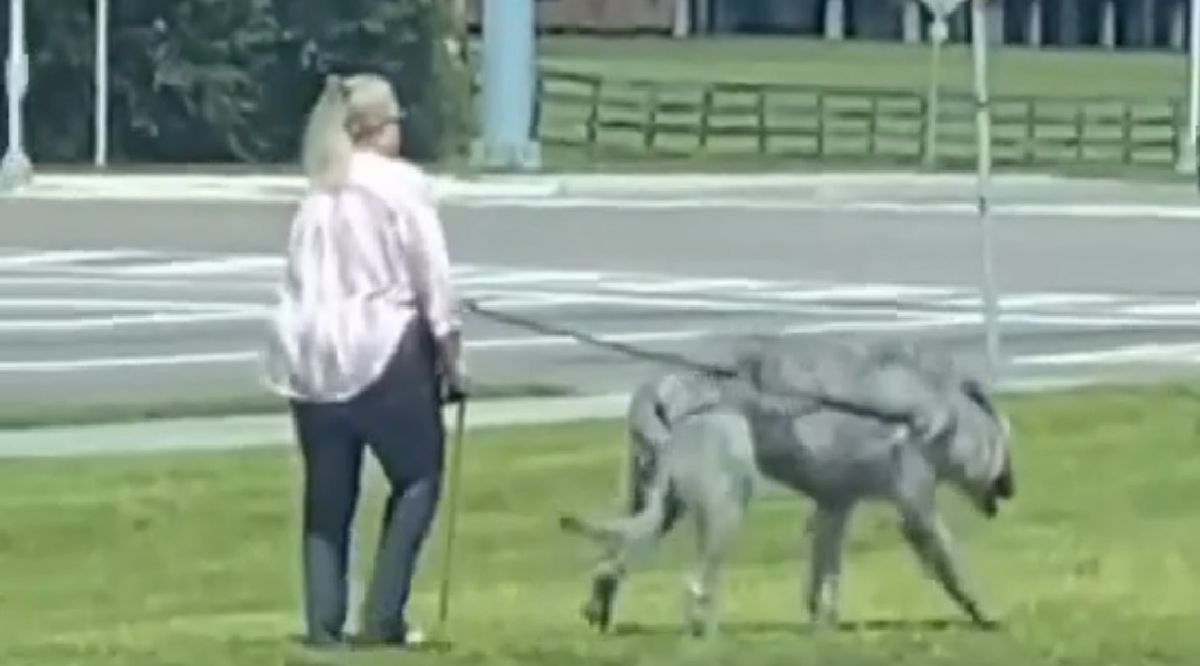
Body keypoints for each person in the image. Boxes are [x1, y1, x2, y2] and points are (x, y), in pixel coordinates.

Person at [262, 72, 468, 649]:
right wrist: (451, 354)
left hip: (310, 353)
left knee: (327, 496)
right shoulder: (400, 184)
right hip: (382, 346)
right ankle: (385, 614)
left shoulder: (319, 189)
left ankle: (323, 623)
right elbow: (432, 276)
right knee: (418, 477)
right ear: (380, 128)